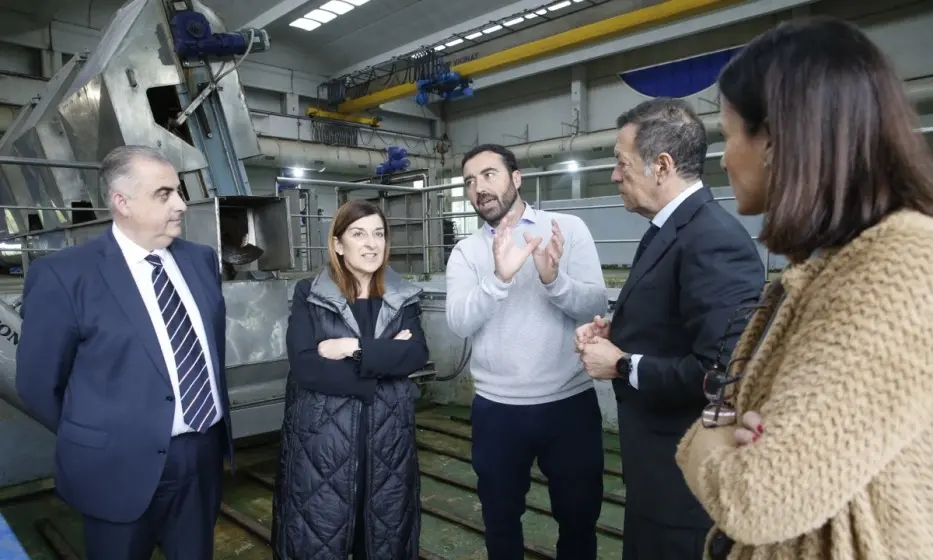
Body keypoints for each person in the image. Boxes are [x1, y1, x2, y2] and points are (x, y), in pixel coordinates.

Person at [675, 17, 933, 560]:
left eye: (728, 135)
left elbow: (758, 495)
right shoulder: (827, 264)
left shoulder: (899, 265)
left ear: (774, 138)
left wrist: (705, 440)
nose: (723, 159)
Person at [16, 145, 232, 560]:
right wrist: (100, 437)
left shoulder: (200, 261)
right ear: (122, 202)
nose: (181, 205)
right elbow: (38, 384)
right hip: (116, 467)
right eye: (164, 194)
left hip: (202, 457)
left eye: (179, 191)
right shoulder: (65, 275)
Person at [574, 98, 765, 560]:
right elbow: (676, 323)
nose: (615, 176)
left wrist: (621, 364)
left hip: (687, 489)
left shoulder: (713, 240)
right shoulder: (669, 228)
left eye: (621, 164)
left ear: (661, 166)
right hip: (656, 473)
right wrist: (617, 331)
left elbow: (720, 375)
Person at [445, 144, 608, 559]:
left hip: (568, 405)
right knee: (501, 522)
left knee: (578, 518)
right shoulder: (466, 252)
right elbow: (459, 323)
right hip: (498, 410)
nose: (478, 188)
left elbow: (595, 306)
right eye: (469, 181)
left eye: (488, 175)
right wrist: (498, 279)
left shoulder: (565, 230)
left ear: (516, 178)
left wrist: (554, 279)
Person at [272, 199, 429, 559]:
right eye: (359, 234)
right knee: (319, 538)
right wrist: (380, 368)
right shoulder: (309, 294)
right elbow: (307, 365)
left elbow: (417, 354)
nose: (371, 244)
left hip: (388, 447)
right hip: (323, 449)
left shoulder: (401, 297)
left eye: (379, 234)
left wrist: (351, 346)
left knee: (382, 539)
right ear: (339, 245)